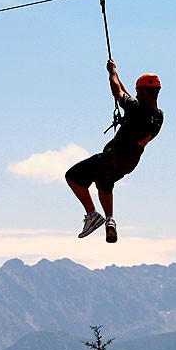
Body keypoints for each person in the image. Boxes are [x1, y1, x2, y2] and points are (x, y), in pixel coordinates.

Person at [65, 59, 164, 243]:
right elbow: (130, 99)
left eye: (138, 91)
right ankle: (110, 220)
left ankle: (92, 214)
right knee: (104, 182)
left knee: (72, 176)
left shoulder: (137, 110)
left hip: (111, 158)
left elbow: (118, 92)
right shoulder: (158, 117)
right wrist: (117, 75)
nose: (136, 94)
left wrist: (111, 73)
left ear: (143, 92)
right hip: (127, 164)